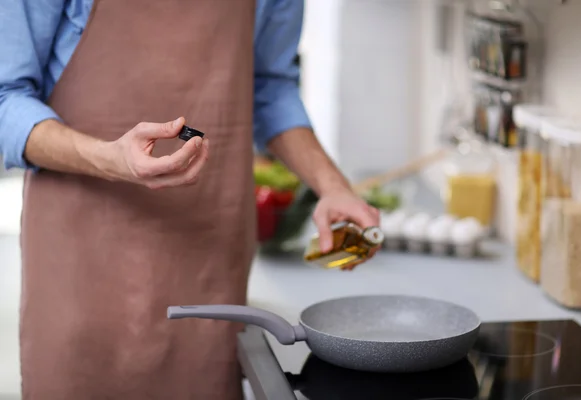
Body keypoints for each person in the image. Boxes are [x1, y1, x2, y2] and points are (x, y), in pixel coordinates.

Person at [0, 1, 380, 399]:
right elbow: (6, 99)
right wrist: (110, 159)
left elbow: (270, 86)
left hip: (208, 254)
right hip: (79, 249)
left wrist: (332, 185)